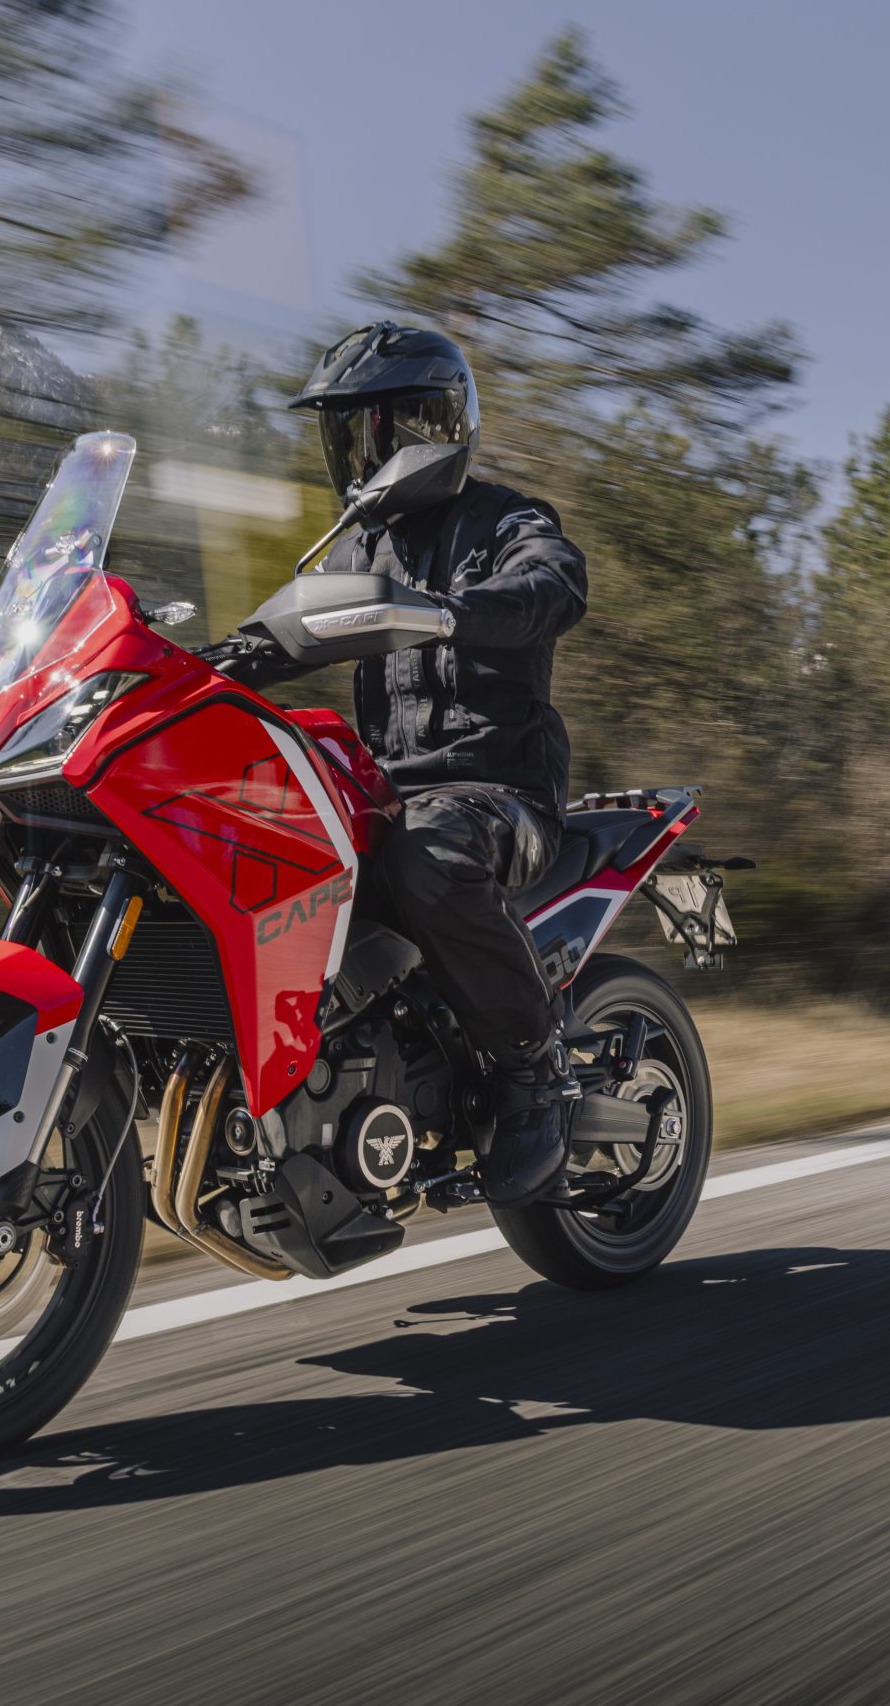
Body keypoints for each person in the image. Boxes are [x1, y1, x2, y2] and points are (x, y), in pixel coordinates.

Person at [258, 320, 591, 1205]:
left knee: (426, 859)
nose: (354, 454)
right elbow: (287, 632)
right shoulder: (358, 549)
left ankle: (532, 1069)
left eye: (367, 429)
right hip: (383, 796)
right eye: (342, 433)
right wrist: (204, 663)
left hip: (497, 793)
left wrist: (451, 612)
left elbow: (555, 582)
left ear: (424, 428)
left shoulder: (506, 519)